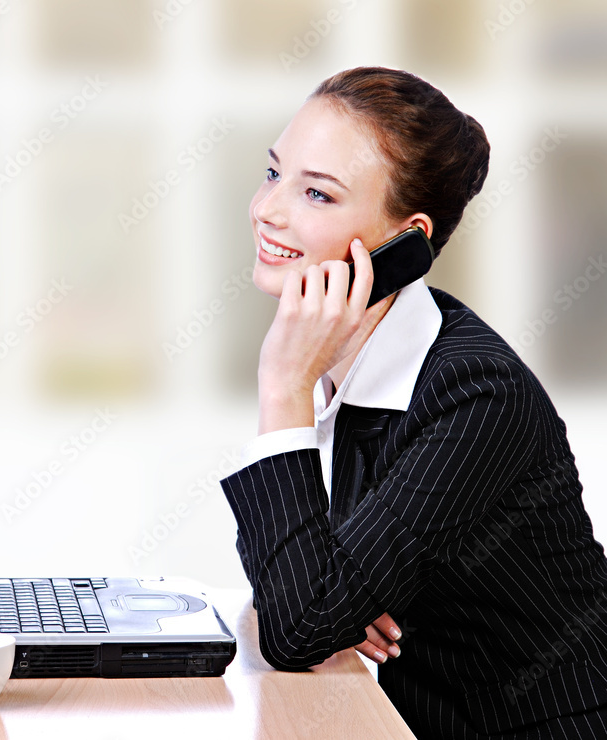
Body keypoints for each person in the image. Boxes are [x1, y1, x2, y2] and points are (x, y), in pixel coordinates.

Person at [219, 66, 607, 740]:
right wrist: (330, 585)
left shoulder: (475, 395)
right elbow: (293, 591)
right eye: (274, 172)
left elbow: (298, 627)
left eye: (316, 192)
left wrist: (282, 390)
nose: (268, 209)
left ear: (407, 241)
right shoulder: (343, 359)